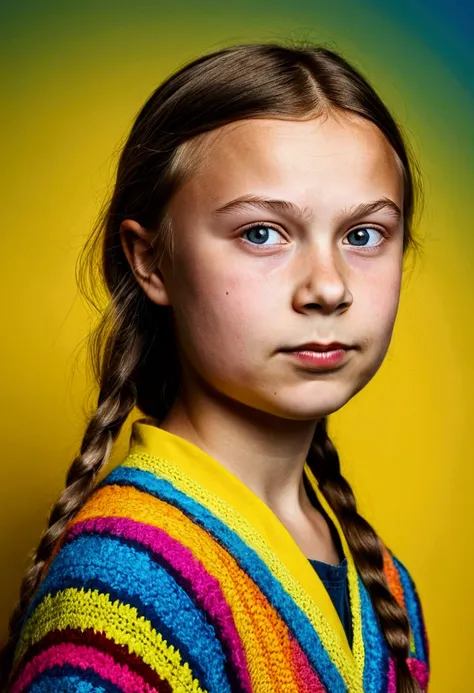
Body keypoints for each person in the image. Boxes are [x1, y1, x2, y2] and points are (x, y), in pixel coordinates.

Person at [0, 41, 430, 693]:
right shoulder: (123, 594)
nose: (328, 286)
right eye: (262, 232)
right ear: (150, 260)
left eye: (363, 234)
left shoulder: (388, 589)